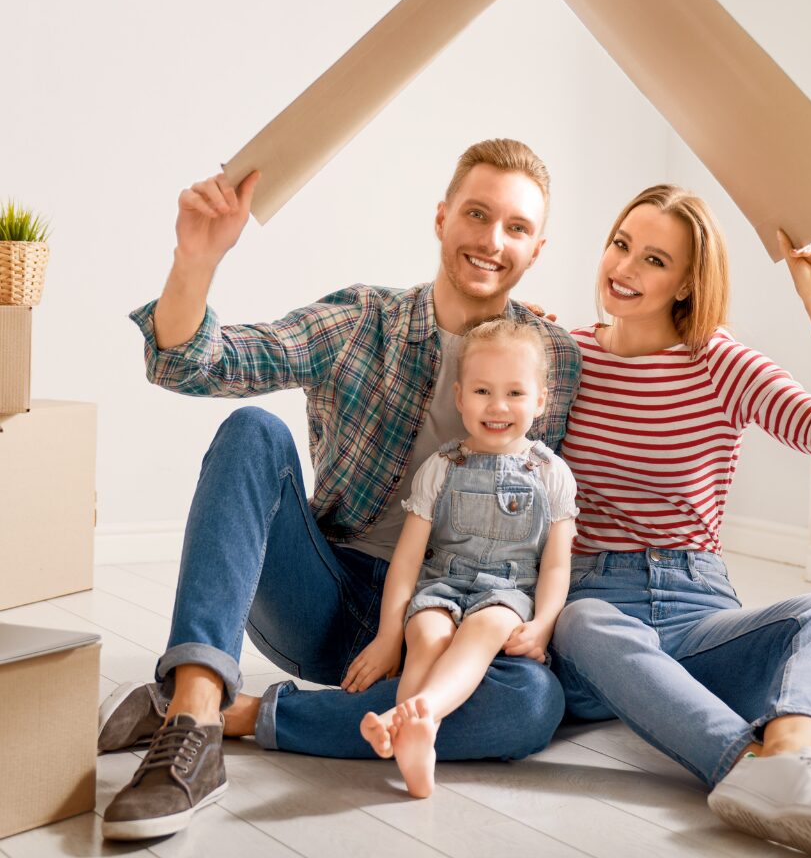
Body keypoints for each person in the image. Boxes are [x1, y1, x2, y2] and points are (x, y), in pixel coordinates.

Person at [98, 139, 581, 841]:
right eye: (476, 214)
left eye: (516, 228)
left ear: (537, 250)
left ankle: (237, 714)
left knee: (532, 704)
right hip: (328, 597)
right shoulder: (363, 320)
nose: (491, 240)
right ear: (442, 218)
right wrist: (195, 259)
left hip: (456, 621)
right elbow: (196, 364)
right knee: (253, 430)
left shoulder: (556, 359)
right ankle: (196, 712)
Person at [549, 185, 811, 858]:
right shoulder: (562, 355)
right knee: (582, 621)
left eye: (654, 260)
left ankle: (787, 762)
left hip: (699, 610)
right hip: (593, 613)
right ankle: (797, 781)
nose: (625, 268)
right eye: (621, 244)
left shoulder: (718, 362)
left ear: (688, 282)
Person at [356, 317, 577, 797]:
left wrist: (542, 624)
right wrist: (389, 634)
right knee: (428, 634)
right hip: (441, 584)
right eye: (482, 391)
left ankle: (412, 717)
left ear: (541, 400)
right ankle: (419, 739)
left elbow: (557, 565)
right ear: (459, 397)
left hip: (506, 593)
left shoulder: (551, 473)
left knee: (484, 628)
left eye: (515, 394)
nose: (497, 406)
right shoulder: (441, 467)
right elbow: (408, 561)